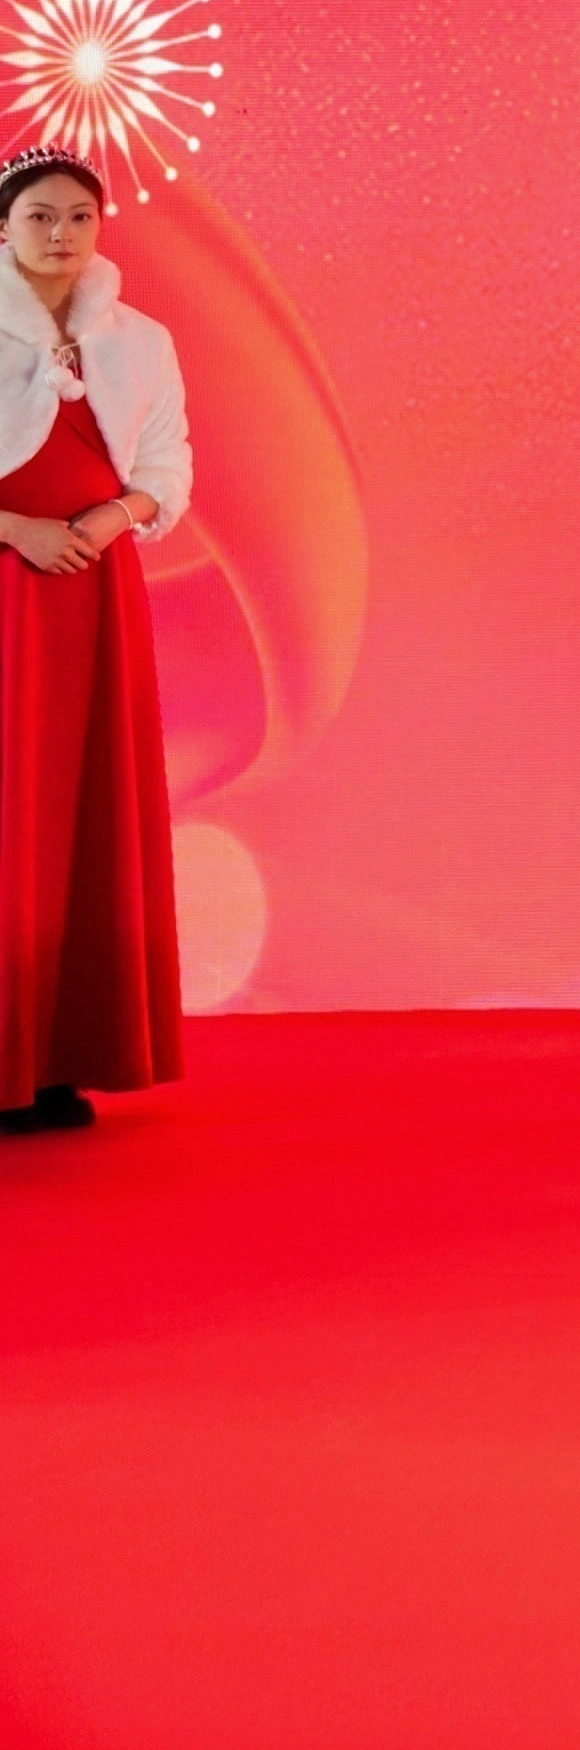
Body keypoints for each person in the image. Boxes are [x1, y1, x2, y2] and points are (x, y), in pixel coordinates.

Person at [0, 148, 191, 1140]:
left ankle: (55, 1058)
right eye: (40, 215)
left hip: (92, 592)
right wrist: (17, 531)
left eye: (79, 216)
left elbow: (166, 463)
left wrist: (117, 516)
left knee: (77, 813)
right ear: (4, 226)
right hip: (8, 580)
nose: (61, 234)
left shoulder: (139, 340)